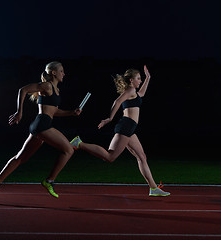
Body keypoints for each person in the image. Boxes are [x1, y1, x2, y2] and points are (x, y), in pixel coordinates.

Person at [70, 65, 170, 197]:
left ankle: (153, 188)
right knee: (110, 157)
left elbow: (142, 94)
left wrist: (148, 78)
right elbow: (117, 102)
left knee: (142, 156)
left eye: (141, 79)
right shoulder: (131, 90)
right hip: (126, 126)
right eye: (138, 78)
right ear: (131, 81)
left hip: (130, 128)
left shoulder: (134, 92)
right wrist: (110, 118)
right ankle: (79, 143)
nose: (140, 81)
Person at [0, 61, 81, 199]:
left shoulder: (56, 90)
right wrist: (20, 112)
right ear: (54, 73)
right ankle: (49, 181)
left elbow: (54, 111)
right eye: (61, 71)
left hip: (40, 126)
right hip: (43, 125)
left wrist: (71, 113)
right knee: (68, 150)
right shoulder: (46, 86)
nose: (64, 73)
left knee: (21, 158)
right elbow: (23, 90)